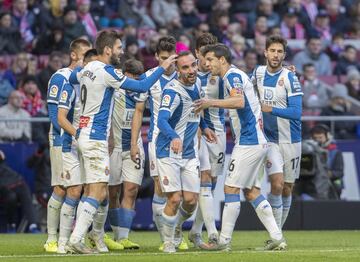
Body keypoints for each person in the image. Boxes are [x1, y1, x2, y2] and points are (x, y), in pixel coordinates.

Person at [66, 29, 176, 254]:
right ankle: (76, 239)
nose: (121, 51)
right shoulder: (107, 71)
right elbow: (141, 87)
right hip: (96, 137)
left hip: (82, 133)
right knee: (97, 192)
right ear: (107, 50)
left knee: (95, 191)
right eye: (118, 48)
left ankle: (93, 238)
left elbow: (69, 77)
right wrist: (162, 69)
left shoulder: (87, 68)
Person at [195, 43, 285, 251]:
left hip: (249, 141)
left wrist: (210, 102)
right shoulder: (233, 76)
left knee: (230, 188)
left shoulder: (232, 76)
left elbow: (239, 102)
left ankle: (224, 241)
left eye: (210, 60)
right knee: (252, 191)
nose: (207, 64)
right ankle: (277, 236)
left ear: (222, 60)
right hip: (256, 140)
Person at [156, 51, 216, 253]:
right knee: (174, 199)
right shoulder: (172, 91)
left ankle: (176, 227)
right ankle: (168, 241)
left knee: (191, 201)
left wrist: (205, 126)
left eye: (193, 65)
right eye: (185, 67)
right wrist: (174, 136)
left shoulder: (198, 84)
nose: (191, 70)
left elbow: (199, 109)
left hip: (189, 153)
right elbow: (161, 119)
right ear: (178, 70)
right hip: (168, 151)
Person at [130, 36, 178, 251]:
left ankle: (178, 234)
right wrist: (134, 142)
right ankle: (167, 238)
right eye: (164, 58)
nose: (168, 63)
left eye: (172, 58)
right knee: (161, 188)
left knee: (184, 192)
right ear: (157, 57)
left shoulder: (184, 76)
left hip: (184, 141)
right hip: (158, 140)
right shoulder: (149, 78)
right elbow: (139, 112)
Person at [253, 35, 303, 238]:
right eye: (272, 50)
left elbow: (296, 113)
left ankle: (278, 231)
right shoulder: (256, 73)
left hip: (290, 139)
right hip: (269, 140)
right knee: (277, 184)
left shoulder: (290, 77)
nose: (275, 55)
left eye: (279, 51)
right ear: (265, 52)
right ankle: (276, 235)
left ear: (284, 54)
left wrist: (269, 109)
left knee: (287, 187)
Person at [188, 33, 225, 247]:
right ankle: (212, 233)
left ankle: (195, 231)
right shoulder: (189, 74)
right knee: (204, 180)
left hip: (218, 133)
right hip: (196, 134)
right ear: (197, 53)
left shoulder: (221, 75)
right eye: (204, 53)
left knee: (211, 184)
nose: (207, 58)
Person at [56, 39, 92, 253]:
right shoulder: (69, 84)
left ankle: (78, 238)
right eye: (86, 55)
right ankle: (62, 243)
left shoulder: (91, 84)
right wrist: (78, 134)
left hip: (87, 145)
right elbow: (61, 117)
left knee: (91, 190)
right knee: (74, 190)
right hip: (70, 143)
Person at [107, 59, 145, 250]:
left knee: (131, 189)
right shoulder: (115, 86)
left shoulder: (142, 89)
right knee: (112, 192)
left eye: (139, 78)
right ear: (125, 75)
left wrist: (133, 144)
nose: (136, 82)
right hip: (113, 146)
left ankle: (123, 237)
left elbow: (139, 112)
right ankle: (114, 235)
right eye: (133, 78)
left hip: (133, 145)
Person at [0, 150, 41, 233]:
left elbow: (2, 156)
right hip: (4, 188)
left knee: (26, 197)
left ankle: (33, 226)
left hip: (17, 182)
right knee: (11, 198)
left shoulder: (2, 164)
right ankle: (11, 225)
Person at [310, 125, 344, 199]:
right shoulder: (308, 152)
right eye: (315, 138)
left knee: (337, 185)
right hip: (311, 181)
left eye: (320, 137)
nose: (318, 140)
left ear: (328, 137)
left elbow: (339, 172)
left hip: (329, 181)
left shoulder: (336, 153)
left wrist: (327, 174)